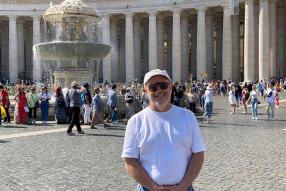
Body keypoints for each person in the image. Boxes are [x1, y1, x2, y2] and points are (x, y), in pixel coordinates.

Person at [122, 69, 206, 191]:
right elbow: (130, 161)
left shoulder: (188, 117)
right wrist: (153, 187)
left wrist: (182, 187)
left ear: (171, 87)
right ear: (145, 91)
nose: (159, 90)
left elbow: (198, 155)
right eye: (153, 87)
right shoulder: (135, 122)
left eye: (163, 85)